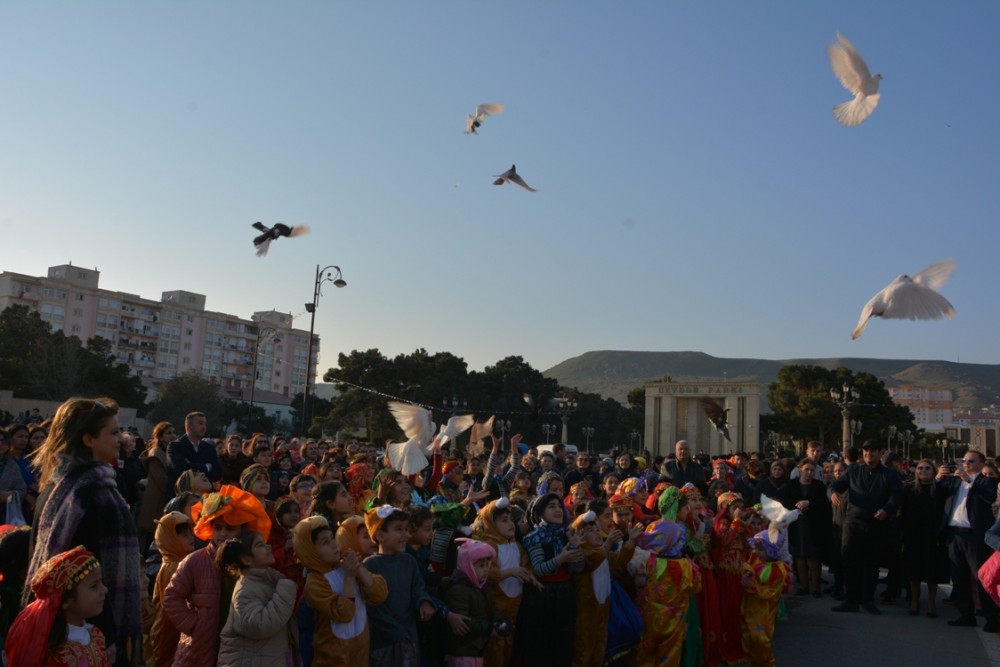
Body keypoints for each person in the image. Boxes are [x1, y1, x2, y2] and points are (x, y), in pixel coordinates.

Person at [26, 398, 141, 667]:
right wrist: (107, 636)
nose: (121, 439)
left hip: (64, 629)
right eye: (113, 432)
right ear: (89, 439)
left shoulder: (58, 488)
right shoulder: (91, 496)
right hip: (84, 636)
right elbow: (85, 575)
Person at [162, 485, 272, 666]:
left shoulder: (250, 562)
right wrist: (193, 625)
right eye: (218, 527)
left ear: (242, 532)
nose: (222, 534)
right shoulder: (196, 560)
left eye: (230, 529)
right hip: (201, 645)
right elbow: (172, 596)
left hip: (239, 644)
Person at [294, 514, 387, 667]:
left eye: (332, 538)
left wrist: (358, 568)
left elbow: (380, 595)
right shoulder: (315, 583)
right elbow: (344, 613)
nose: (333, 545)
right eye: (325, 542)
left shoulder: (345, 567)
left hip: (360, 657)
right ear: (310, 551)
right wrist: (349, 578)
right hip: (333, 660)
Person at [829, 439, 903, 615]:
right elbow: (835, 485)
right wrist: (832, 493)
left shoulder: (889, 474)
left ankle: (867, 600)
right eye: (866, 450)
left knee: (871, 564)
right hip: (853, 523)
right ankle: (851, 600)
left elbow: (896, 496)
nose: (869, 453)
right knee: (849, 563)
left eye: (873, 450)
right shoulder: (854, 470)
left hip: (876, 524)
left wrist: (887, 509)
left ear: (879, 453)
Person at [5, 546, 109, 667]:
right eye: (94, 586)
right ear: (64, 600)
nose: (104, 590)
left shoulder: (96, 635)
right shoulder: (53, 651)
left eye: (101, 583)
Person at [516, 493, 585, 667]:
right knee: (542, 645)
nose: (558, 510)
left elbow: (579, 568)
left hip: (564, 593)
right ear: (540, 513)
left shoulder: (566, 535)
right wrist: (561, 558)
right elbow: (539, 570)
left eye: (559, 506)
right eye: (551, 506)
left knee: (563, 643)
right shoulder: (535, 537)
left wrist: (575, 547)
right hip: (542, 595)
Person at [936, 449, 1000, 631]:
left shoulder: (986, 480)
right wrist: (939, 478)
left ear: (981, 463)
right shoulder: (956, 480)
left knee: (980, 576)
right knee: (959, 576)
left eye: (971, 460)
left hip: (974, 535)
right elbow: (937, 494)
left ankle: (992, 618)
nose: (966, 463)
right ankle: (966, 614)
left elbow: (989, 497)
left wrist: (969, 480)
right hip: (954, 533)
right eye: (964, 460)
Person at [363, 506, 436, 667]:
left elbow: (418, 588)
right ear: (380, 535)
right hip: (383, 642)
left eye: (406, 529)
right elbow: (374, 607)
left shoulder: (408, 561)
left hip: (409, 636)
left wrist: (424, 601)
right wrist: (396, 631)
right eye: (398, 529)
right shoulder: (370, 565)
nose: (405, 535)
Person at [216, 531, 299, 667]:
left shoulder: (265, 581)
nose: (268, 547)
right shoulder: (245, 590)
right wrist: (286, 589)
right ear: (247, 560)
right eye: (260, 545)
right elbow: (259, 625)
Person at [634, 519, 700, 667]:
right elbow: (696, 588)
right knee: (670, 654)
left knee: (647, 649)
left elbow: (639, 583)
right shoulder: (686, 566)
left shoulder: (648, 561)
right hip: (676, 618)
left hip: (651, 616)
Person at [442, 538, 503, 667]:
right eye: (481, 566)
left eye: (487, 564)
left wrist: (500, 622)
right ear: (467, 566)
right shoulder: (458, 589)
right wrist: (488, 628)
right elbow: (464, 623)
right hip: (463, 652)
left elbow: (491, 608)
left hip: (476, 650)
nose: (486, 569)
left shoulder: (482, 586)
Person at [899, 458, 948, 617]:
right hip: (913, 534)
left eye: (927, 468)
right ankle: (914, 600)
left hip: (933, 535)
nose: (923, 471)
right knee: (914, 570)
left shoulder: (940, 489)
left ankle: (931, 602)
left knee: (932, 570)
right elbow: (902, 512)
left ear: (933, 471)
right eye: (920, 468)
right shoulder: (908, 489)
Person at [148, 511, 195, 667]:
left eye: (190, 533)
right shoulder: (175, 566)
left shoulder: (176, 562)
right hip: (168, 632)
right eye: (183, 535)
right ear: (169, 539)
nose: (190, 537)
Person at [741, 529, 792, 667]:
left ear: (772, 550)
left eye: (762, 550)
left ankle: (768, 663)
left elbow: (770, 592)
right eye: (756, 549)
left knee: (761, 639)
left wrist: (751, 585)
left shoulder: (778, 570)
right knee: (748, 637)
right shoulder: (755, 558)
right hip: (749, 606)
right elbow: (746, 567)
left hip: (764, 611)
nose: (757, 552)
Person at [782, 458, 831, 597]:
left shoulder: (819, 486)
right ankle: (803, 586)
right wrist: (797, 503)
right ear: (800, 470)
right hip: (797, 526)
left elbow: (823, 504)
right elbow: (785, 501)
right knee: (799, 557)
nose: (809, 473)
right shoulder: (791, 485)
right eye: (806, 470)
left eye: (811, 470)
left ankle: (816, 588)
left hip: (814, 526)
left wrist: (809, 503)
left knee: (813, 558)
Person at [137, 422, 176, 554]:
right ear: (160, 436)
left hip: (162, 499)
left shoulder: (169, 452)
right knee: (150, 539)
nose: (172, 436)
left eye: (174, 433)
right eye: (168, 433)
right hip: (156, 501)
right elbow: (161, 480)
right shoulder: (156, 455)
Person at [166, 412, 222, 493]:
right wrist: (206, 467)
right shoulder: (175, 446)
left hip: (204, 499)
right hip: (181, 499)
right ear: (189, 426)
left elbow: (217, 473)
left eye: (205, 424)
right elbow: (180, 470)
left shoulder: (209, 448)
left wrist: (190, 465)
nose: (204, 427)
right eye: (200, 423)